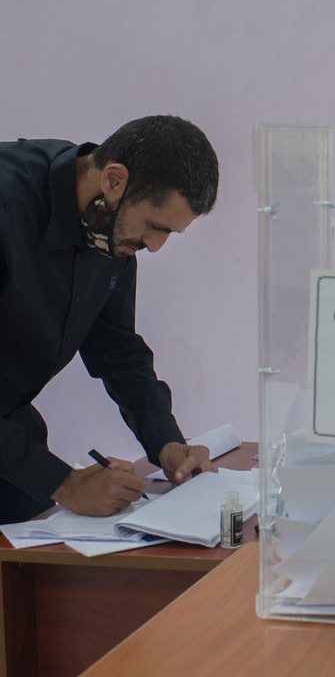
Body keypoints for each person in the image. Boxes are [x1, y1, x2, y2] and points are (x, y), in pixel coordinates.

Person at [0, 115, 220, 523]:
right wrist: (64, 483)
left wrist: (167, 443)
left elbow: (117, 349)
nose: (155, 247)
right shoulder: (7, 201)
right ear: (114, 180)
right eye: (156, 227)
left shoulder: (108, 230)